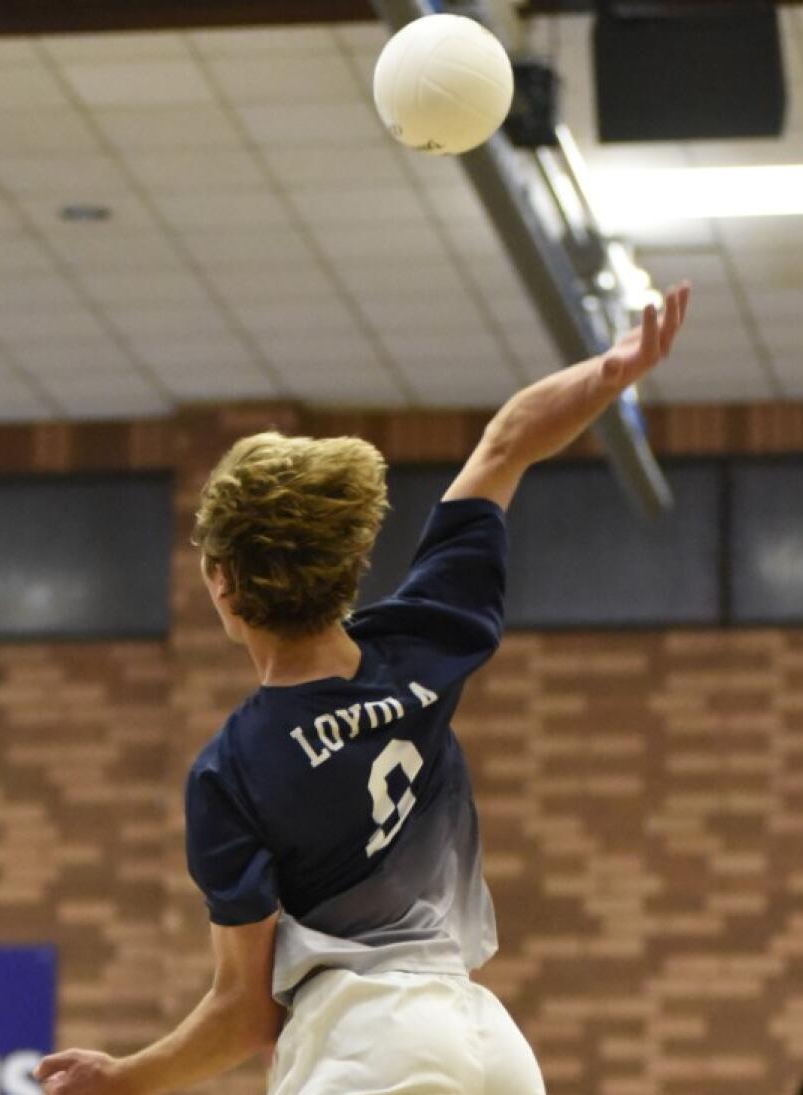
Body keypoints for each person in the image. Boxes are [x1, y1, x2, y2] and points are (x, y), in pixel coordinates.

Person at [34, 283, 692, 1094]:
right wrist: (611, 372)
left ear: (220, 586)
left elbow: (246, 1012)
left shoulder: (231, 769)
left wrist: (125, 1077)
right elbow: (505, 444)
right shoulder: (418, 638)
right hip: (491, 1044)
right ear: (350, 569)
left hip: (368, 1046)